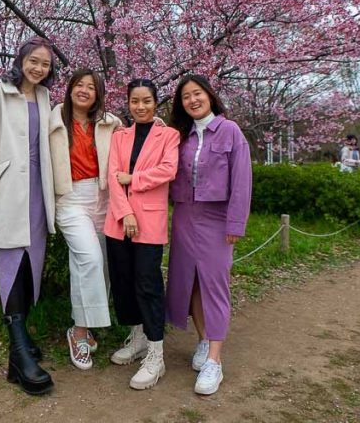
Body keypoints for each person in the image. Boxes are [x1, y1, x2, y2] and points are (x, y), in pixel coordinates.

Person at [0, 38, 57, 395]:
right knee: (11, 264)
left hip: (37, 191)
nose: (38, 69)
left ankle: (18, 354)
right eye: (33, 61)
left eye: (46, 65)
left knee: (30, 265)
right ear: (20, 61)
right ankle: (21, 352)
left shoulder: (47, 99)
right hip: (6, 193)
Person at [166, 74, 252, 395]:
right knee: (189, 284)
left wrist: (235, 223)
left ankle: (215, 361)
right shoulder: (182, 137)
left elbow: (242, 180)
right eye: (186, 96)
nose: (192, 100)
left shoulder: (230, 131)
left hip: (217, 219)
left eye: (197, 93)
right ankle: (203, 340)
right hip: (185, 216)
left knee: (215, 286)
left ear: (210, 96)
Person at [105, 78, 180, 390]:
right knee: (123, 283)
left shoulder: (169, 135)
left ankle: (155, 353)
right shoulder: (120, 136)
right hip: (118, 221)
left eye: (146, 101)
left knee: (148, 284)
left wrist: (133, 178)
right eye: (135, 101)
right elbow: (112, 175)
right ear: (128, 103)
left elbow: (168, 170)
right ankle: (136, 339)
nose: (140, 107)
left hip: (149, 224)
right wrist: (126, 213)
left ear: (155, 102)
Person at [48, 69, 121, 370]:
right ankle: (78, 332)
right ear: (70, 89)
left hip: (102, 196)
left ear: (98, 93)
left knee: (98, 264)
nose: (84, 90)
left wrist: (155, 125)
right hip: (69, 198)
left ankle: (85, 326)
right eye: (79, 84)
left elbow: (132, 141)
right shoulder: (53, 119)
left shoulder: (108, 122)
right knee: (88, 258)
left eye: (91, 87)